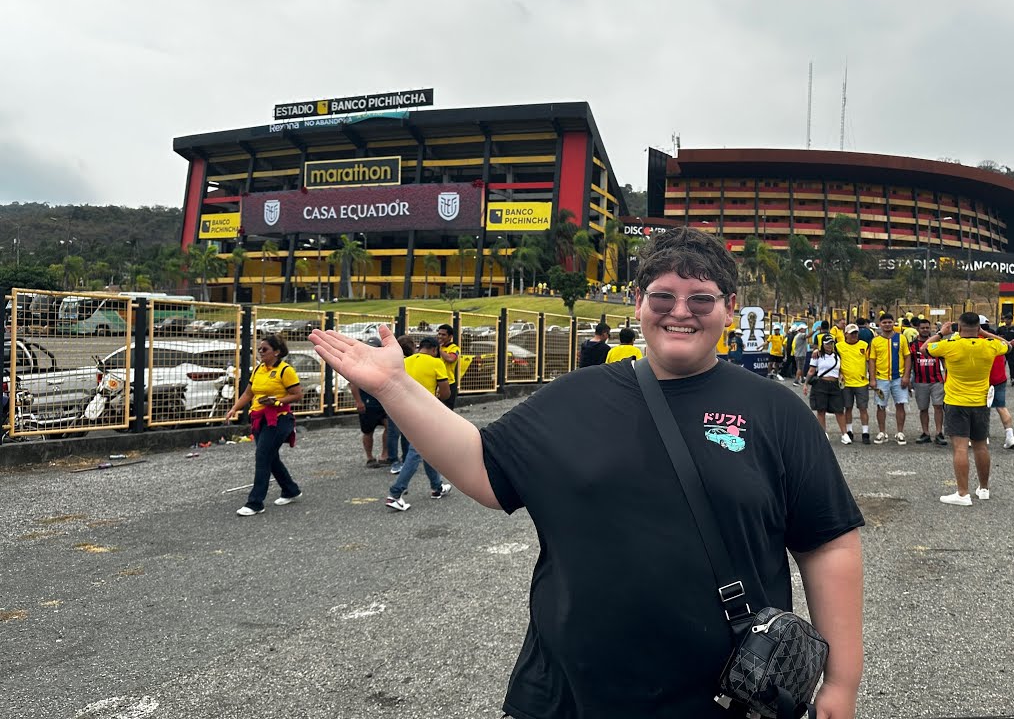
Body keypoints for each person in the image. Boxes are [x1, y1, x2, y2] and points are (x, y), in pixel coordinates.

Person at [309, 227, 865, 719]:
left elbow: (828, 544)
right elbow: (482, 469)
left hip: (724, 694)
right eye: (663, 297)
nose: (681, 311)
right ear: (636, 301)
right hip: (571, 691)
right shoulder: (576, 395)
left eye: (701, 298)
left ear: (730, 305)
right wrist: (394, 388)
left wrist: (841, 682)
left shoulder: (775, 410)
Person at [925, 313, 1011, 506]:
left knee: (960, 448)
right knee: (981, 446)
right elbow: (1008, 345)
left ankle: (963, 493)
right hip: (980, 402)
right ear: (978, 327)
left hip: (956, 402)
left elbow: (924, 348)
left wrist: (941, 333)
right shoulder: (989, 345)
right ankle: (984, 488)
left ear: (960, 327)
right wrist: (984, 333)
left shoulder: (950, 346)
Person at [224, 334, 303, 517]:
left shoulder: (285, 370)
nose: (261, 352)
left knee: (262, 456)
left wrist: (276, 401)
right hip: (260, 418)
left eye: (265, 349)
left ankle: (255, 502)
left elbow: (298, 395)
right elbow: (248, 393)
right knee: (270, 457)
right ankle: (290, 489)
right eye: (259, 349)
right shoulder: (259, 369)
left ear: (276, 352)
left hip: (279, 419)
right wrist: (234, 408)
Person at [387, 336, 454, 509]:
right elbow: (446, 393)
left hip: (402, 409)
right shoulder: (435, 363)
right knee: (417, 451)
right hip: (424, 410)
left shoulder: (406, 361)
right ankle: (395, 493)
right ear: (434, 350)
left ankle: (437, 487)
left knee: (426, 449)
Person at [868, 313, 912, 445]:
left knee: (900, 404)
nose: (887, 325)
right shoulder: (875, 341)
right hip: (881, 379)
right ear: (880, 324)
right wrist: (872, 379)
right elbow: (872, 360)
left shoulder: (901, 338)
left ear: (894, 323)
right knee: (880, 406)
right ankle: (882, 432)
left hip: (898, 378)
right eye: (884, 323)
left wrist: (906, 376)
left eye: (889, 322)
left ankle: (900, 432)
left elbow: (907, 357)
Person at [908, 318, 947, 446]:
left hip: (936, 380)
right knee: (923, 408)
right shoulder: (912, 345)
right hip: (920, 381)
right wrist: (908, 379)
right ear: (918, 329)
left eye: (927, 328)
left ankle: (939, 433)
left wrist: (947, 376)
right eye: (922, 328)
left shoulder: (937, 343)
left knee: (938, 407)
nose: (925, 330)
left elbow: (944, 361)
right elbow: (910, 363)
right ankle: (925, 433)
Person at [802, 333, 848, 440]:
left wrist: (841, 377)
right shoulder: (817, 355)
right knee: (821, 409)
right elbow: (811, 370)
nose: (829, 346)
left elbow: (839, 370)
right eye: (827, 344)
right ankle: (823, 432)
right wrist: (805, 384)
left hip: (835, 384)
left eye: (831, 343)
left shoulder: (837, 355)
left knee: (839, 410)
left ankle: (844, 433)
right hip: (821, 384)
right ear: (822, 344)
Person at [982, 318, 1014, 450]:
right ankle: (1010, 436)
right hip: (999, 378)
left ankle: (983, 436)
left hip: (983, 380)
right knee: (1001, 407)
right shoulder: (997, 341)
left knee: (982, 409)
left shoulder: (973, 341)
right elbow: (1008, 348)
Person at [835, 323, 872, 445]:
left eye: (855, 333)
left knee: (863, 408)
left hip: (861, 382)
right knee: (848, 407)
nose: (854, 335)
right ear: (845, 334)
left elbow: (870, 360)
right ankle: (849, 430)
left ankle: (865, 432)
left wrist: (871, 376)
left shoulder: (864, 345)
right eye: (851, 333)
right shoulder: (839, 346)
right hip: (846, 382)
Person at [350, 381, 391, 468]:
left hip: (383, 402)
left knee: (389, 427)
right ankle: (370, 457)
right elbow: (353, 384)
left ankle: (385, 455)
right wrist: (359, 401)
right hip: (367, 403)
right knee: (368, 431)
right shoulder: (360, 368)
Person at [436, 324, 461, 409]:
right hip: (435, 382)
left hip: (448, 382)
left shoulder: (454, 348)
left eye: (443, 335)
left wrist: (439, 350)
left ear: (450, 336)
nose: (440, 336)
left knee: (447, 409)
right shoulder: (435, 347)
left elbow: (451, 359)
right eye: (439, 334)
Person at [995, 315, 1014, 385]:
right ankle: (1001, 378)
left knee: (1011, 364)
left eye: (1008, 319)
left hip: (1011, 349)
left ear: (1011, 320)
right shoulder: (1000, 328)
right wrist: (999, 337)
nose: (1006, 320)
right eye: (1005, 319)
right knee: (1002, 364)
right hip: (1002, 348)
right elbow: (995, 336)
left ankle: (1013, 378)